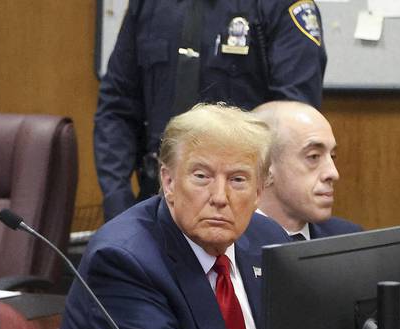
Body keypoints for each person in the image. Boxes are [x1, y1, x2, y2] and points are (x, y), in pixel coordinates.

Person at [51, 104, 289, 329]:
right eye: (202, 176)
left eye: (238, 180)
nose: (220, 196)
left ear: (259, 192)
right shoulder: (122, 258)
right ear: (169, 181)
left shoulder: (267, 239)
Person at [95, 0, 327, 221]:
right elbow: (117, 107)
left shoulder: (280, 6)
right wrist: (118, 203)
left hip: (236, 206)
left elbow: (292, 129)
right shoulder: (149, 4)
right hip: (155, 198)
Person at [252, 100, 362, 239]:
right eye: (314, 156)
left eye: (332, 156)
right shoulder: (229, 246)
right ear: (265, 166)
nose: (333, 173)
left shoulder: (349, 239)